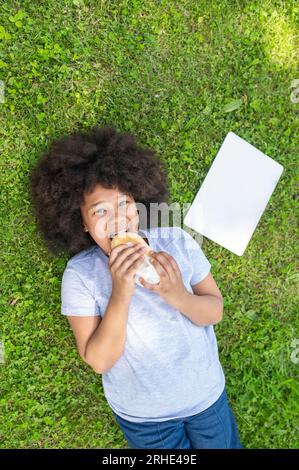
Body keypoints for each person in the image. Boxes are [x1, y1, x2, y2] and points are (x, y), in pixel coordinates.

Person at [29, 125, 243, 449]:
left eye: (124, 204)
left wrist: (178, 295)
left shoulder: (177, 241)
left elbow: (214, 311)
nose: (117, 219)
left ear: (138, 202)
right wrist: (121, 292)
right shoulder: (81, 275)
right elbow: (99, 360)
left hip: (206, 396)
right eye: (100, 211)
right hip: (146, 419)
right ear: (81, 223)